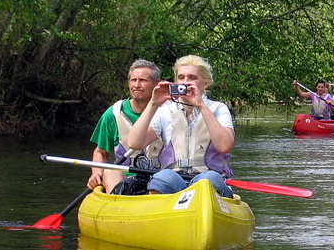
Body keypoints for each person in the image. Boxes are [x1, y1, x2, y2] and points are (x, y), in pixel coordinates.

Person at [127, 55, 234, 197]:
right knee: (162, 178)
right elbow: (134, 143)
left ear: (205, 83)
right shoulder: (165, 110)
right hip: (174, 180)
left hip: (209, 178)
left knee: (208, 180)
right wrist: (153, 103)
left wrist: (201, 105)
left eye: (192, 78)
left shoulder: (218, 109)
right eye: (181, 77)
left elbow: (224, 146)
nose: (186, 82)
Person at [87, 59, 164, 194]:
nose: (137, 85)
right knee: (110, 172)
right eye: (133, 80)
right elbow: (100, 152)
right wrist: (97, 174)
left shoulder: (169, 112)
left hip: (160, 178)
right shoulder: (113, 114)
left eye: (143, 80)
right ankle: (117, 207)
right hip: (124, 178)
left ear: (156, 84)